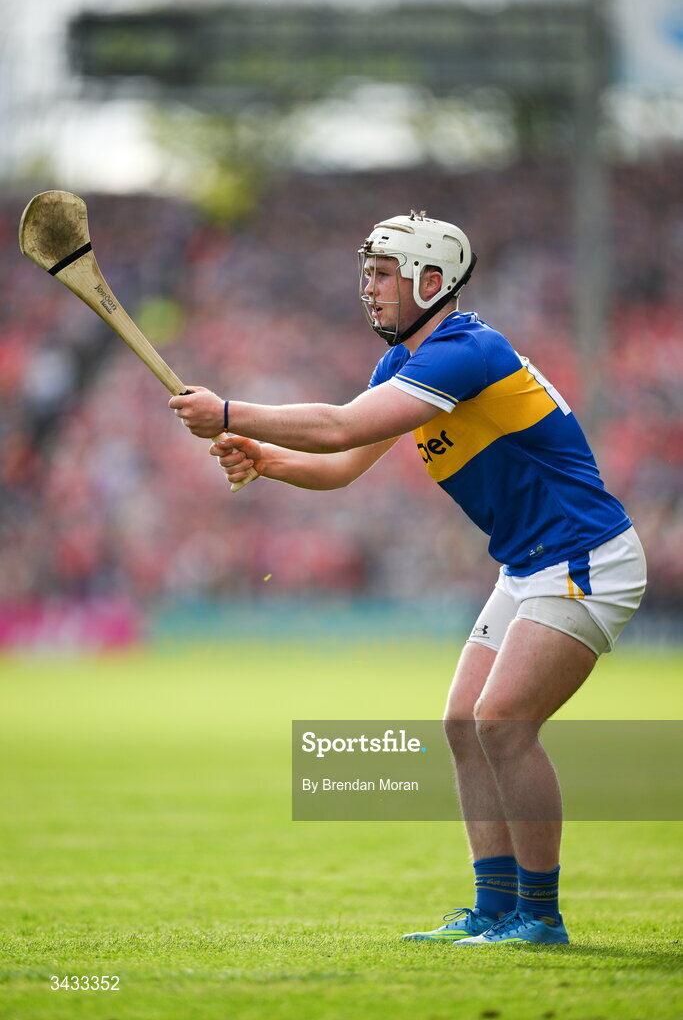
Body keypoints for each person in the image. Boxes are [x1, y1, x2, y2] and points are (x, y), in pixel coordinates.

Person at [169, 210, 647, 946]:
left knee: (504, 723)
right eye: (366, 273)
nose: (368, 288)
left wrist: (232, 411)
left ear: (432, 281)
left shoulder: (466, 351)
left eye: (382, 274)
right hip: (528, 565)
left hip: (584, 557)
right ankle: (492, 908)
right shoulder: (403, 367)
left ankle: (540, 916)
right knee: (464, 724)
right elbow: (338, 465)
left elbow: (337, 427)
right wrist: (265, 457)